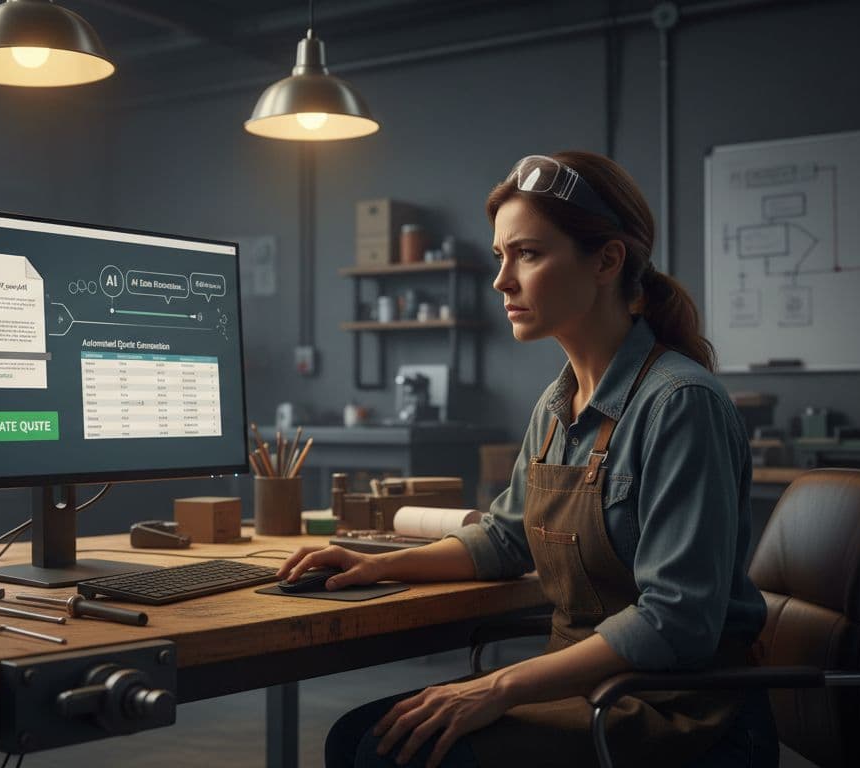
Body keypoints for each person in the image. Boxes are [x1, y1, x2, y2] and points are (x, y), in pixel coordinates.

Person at [278, 151, 779, 768]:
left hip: (680, 711)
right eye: (500, 257)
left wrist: (498, 686)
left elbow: (676, 623)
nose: (502, 280)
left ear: (607, 260)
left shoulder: (680, 404)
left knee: (389, 753)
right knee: (357, 736)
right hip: (587, 690)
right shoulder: (557, 402)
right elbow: (505, 538)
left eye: (529, 254)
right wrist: (378, 565)